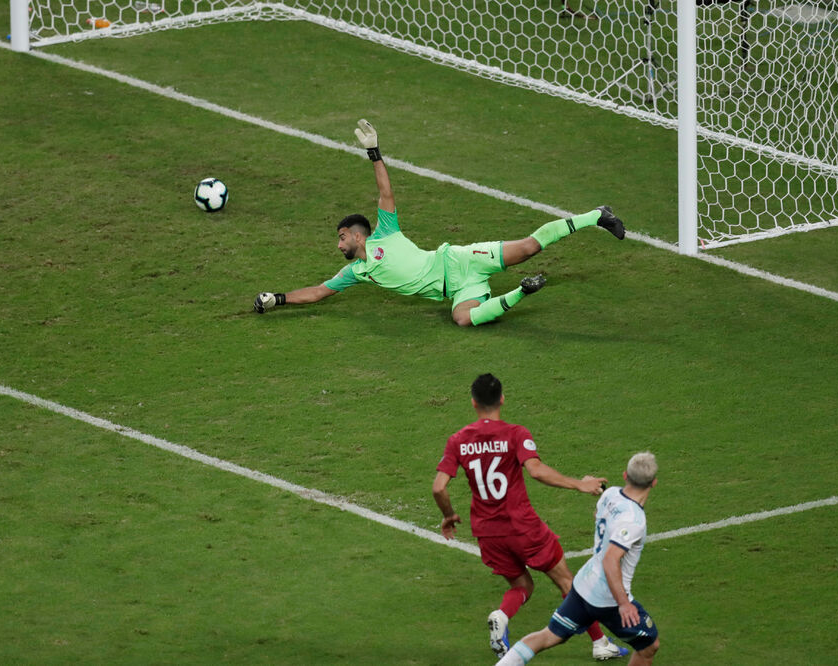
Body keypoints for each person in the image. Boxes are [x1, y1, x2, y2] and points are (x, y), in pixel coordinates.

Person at [253, 119, 625, 326]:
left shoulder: (385, 232)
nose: (338, 246)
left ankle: (597, 216)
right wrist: (278, 299)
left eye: (340, 238)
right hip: (458, 288)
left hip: (459, 261)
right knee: (463, 319)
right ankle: (523, 292)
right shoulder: (356, 273)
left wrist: (374, 153)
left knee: (528, 247)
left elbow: (386, 195)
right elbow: (318, 292)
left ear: (355, 234)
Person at [432, 374, 628, 660]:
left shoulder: (458, 440)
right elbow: (535, 470)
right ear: (502, 398)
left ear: (473, 402)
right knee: (567, 583)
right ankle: (600, 643)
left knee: (522, 585)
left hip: (487, 533)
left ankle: (502, 615)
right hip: (522, 527)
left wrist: (449, 515)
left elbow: (439, 487)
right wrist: (579, 483)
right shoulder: (515, 433)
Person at [495, 452, 661, 666]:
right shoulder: (634, 520)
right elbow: (610, 560)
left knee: (548, 636)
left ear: (625, 475)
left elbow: (599, 514)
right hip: (608, 599)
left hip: (583, 586)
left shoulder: (610, 494)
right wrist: (623, 604)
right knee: (649, 646)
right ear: (654, 483)